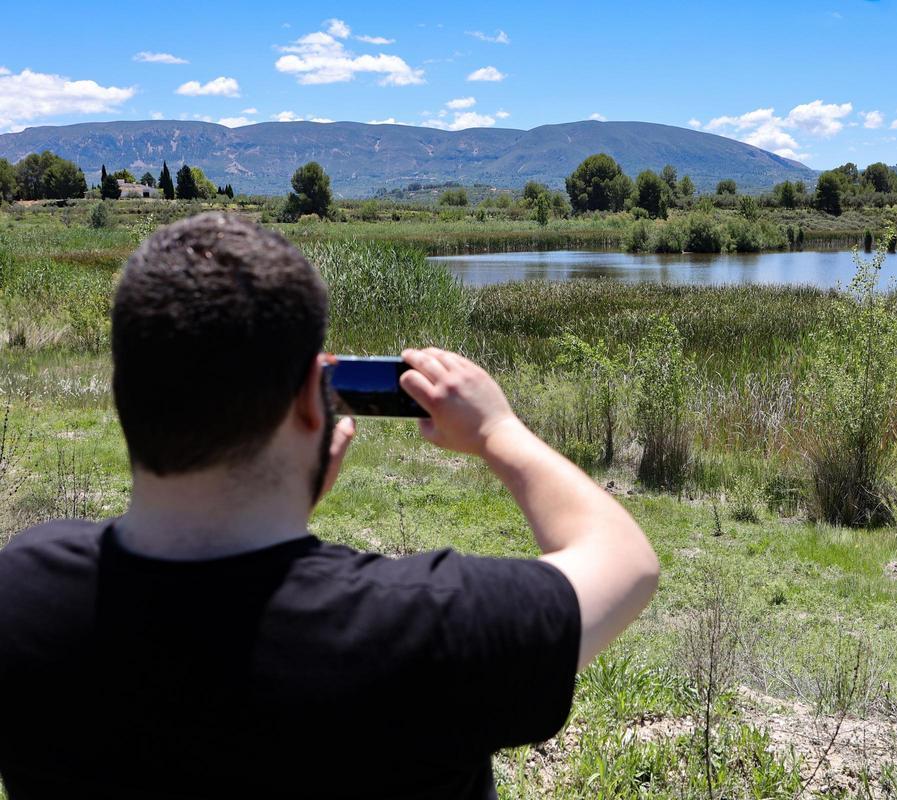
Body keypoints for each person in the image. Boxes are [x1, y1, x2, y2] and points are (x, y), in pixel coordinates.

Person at [0, 213, 659, 799]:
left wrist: (278, 503)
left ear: (124, 392)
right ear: (315, 404)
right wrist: (496, 431)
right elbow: (624, 561)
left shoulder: (25, 590)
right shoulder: (422, 631)